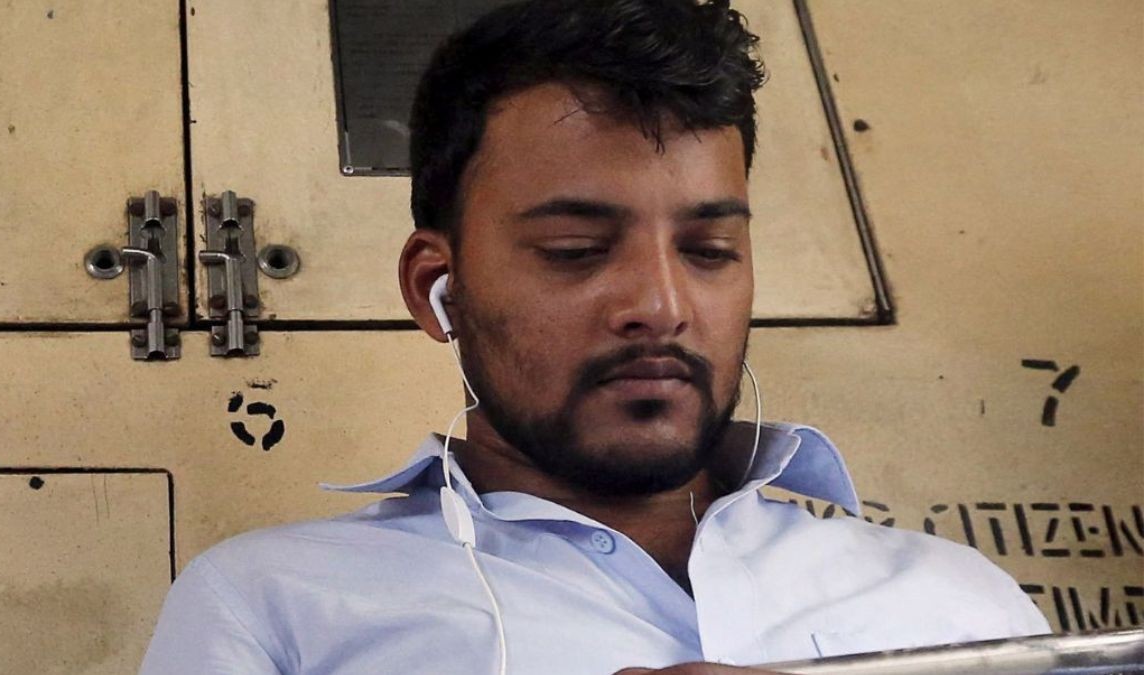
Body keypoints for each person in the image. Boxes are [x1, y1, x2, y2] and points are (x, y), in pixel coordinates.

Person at [141, 0, 1050, 672]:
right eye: (575, 250)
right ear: (436, 288)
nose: (661, 304)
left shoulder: (962, 606)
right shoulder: (275, 610)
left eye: (709, 250)